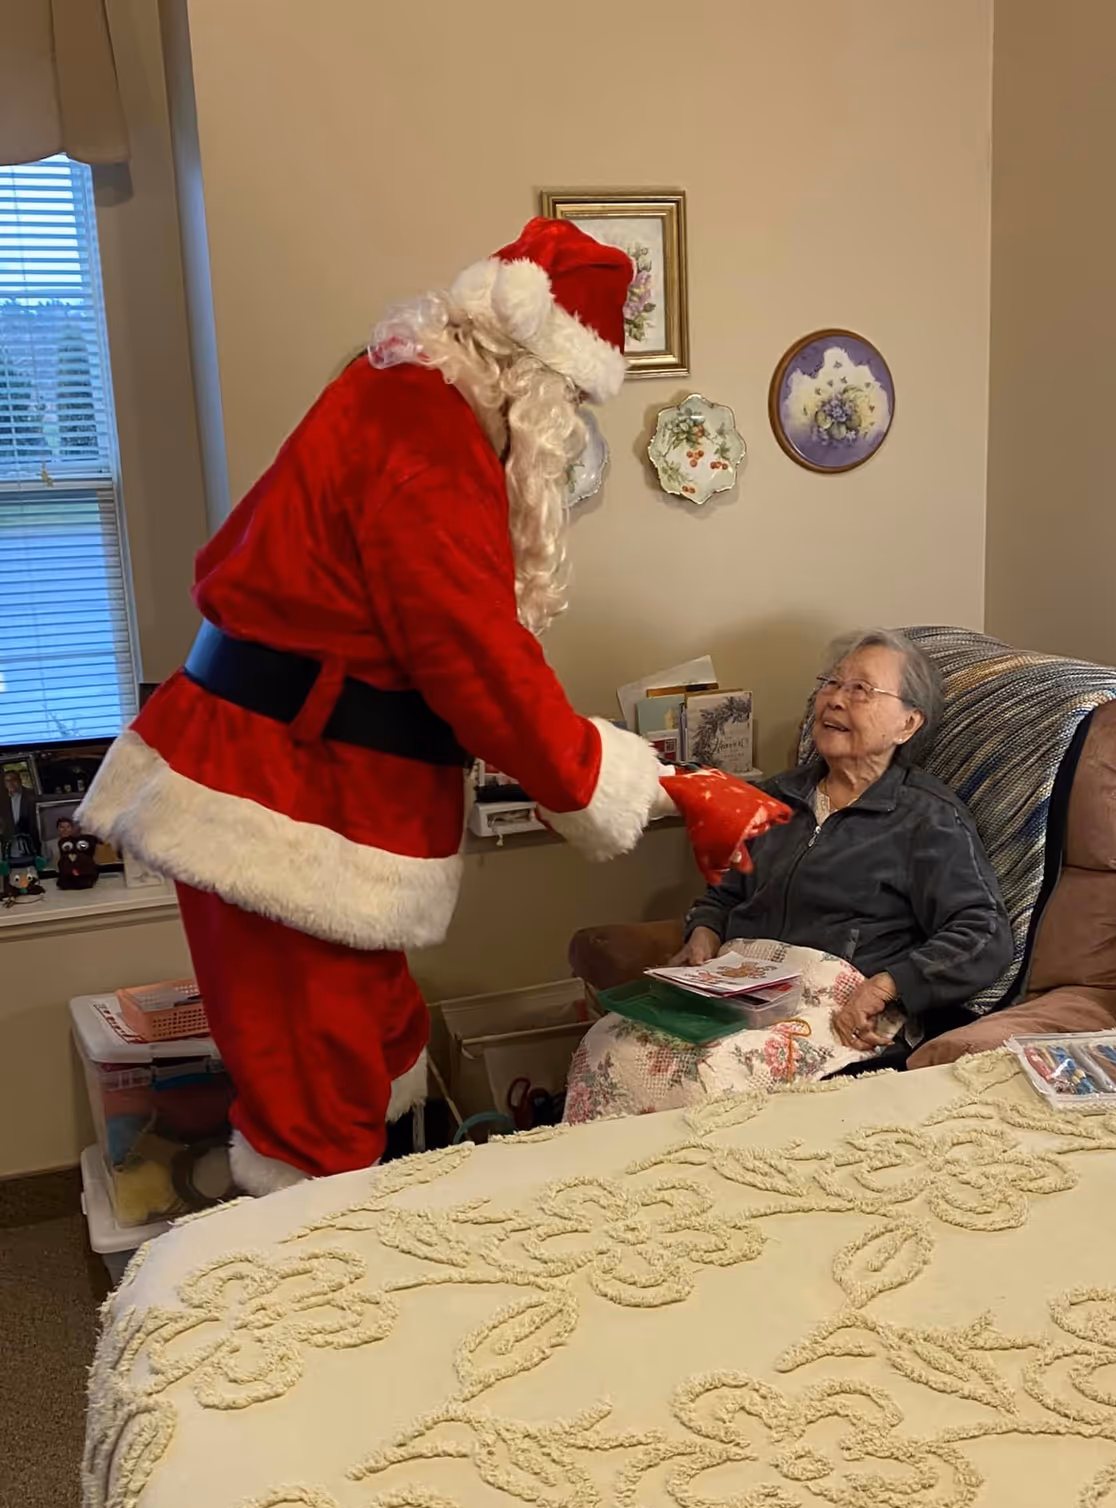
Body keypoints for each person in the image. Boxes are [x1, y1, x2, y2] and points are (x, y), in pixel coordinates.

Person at [79, 217, 786, 1194]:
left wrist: (643, 776)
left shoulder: (412, 402)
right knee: (314, 1115)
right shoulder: (423, 431)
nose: (573, 428)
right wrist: (645, 782)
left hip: (323, 804)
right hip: (282, 805)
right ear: (536, 375)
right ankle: (322, 1308)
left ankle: (389, 1245)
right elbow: (474, 658)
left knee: (382, 1038)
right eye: (576, 399)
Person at [563, 630, 1013, 1122]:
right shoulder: (777, 796)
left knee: (711, 1070)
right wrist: (704, 933)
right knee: (605, 1042)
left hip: (836, 1006)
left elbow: (983, 932)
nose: (836, 699)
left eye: (861, 689)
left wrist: (887, 988)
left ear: (907, 723)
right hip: (738, 987)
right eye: (831, 683)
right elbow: (725, 892)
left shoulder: (928, 820)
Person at [2, 770, 40, 852]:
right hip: (13, 842)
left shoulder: (31, 795)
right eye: (8, 781)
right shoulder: (3, 799)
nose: (11, 783)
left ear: (20, 781)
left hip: (31, 839)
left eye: (13, 780)